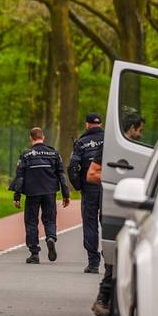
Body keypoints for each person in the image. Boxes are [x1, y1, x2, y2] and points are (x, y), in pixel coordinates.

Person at [92, 108, 145, 316]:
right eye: (139, 130)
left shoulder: (131, 149)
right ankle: (104, 300)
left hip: (127, 206)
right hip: (115, 205)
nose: (140, 134)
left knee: (119, 255)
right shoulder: (110, 148)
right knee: (116, 255)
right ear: (130, 129)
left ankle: (109, 301)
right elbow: (92, 173)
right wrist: (118, 182)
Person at [10, 127, 70, 264]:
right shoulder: (54, 153)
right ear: (43, 137)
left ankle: (34, 253)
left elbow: (20, 177)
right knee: (50, 219)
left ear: (31, 138)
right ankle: (50, 237)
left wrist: (17, 196)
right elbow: (61, 174)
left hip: (32, 193)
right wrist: (66, 194)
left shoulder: (26, 155)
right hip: (50, 192)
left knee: (31, 221)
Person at [68, 113, 106, 274]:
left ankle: (93, 263)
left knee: (90, 223)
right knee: (109, 223)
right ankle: (112, 260)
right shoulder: (111, 140)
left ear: (87, 124)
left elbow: (72, 167)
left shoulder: (81, 143)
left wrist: (79, 186)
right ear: (101, 124)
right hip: (107, 185)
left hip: (89, 186)